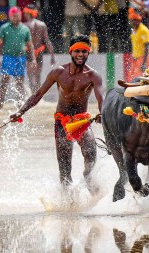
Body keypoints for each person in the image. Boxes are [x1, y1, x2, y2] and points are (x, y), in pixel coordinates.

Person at [9, 35, 104, 194]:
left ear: (88, 53)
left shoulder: (93, 75)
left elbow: (102, 99)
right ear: (70, 52)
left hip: (81, 121)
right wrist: (20, 111)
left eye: (84, 51)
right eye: (77, 51)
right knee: (65, 167)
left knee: (91, 153)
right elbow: (38, 94)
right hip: (62, 122)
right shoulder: (58, 72)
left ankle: (89, 179)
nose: (80, 55)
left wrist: (103, 113)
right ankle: (68, 205)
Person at [0, 6, 36, 110]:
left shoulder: (25, 29)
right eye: (13, 16)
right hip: (7, 58)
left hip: (20, 58)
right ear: (9, 16)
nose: (15, 18)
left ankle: (20, 105)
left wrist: (33, 59)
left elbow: (30, 45)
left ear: (20, 16)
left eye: (17, 16)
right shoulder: (4, 28)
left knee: (20, 82)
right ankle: (0, 104)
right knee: (4, 81)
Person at [23, 4, 55, 94]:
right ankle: (38, 96)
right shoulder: (42, 25)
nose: (24, 15)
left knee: (30, 76)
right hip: (39, 52)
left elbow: (22, 43)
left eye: (25, 13)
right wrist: (52, 56)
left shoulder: (25, 26)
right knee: (38, 76)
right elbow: (47, 41)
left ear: (28, 13)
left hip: (29, 52)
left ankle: (32, 95)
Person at [128, 7, 149, 81]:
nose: (132, 23)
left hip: (144, 59)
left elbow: (147, 47)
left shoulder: (144, 30)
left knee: (143, 81)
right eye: (131, 21)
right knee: (132, 80)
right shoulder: (134, 30)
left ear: (138, 20)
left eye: (133, 21)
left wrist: (144, 63)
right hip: (136, 59)